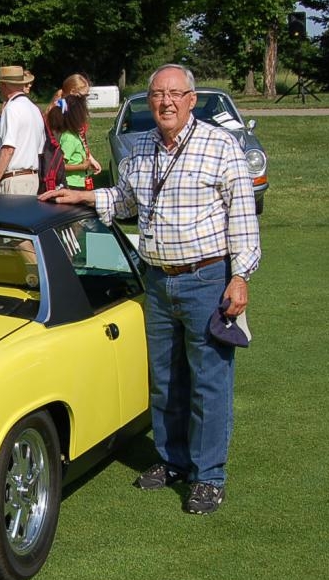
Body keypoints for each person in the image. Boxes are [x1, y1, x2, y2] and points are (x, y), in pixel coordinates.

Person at [39, 64, 260, 515]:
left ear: (191, 100)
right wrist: (83, 196)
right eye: (158, 94)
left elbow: (242, 216)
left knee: (208, 383)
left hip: (207, 279)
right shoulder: (140, 147)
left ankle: (208, 476)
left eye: (175, 94)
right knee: (164, 379)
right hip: (157, 280)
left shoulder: (220, 146)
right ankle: (172, 460)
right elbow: (126, 199)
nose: (166, 102)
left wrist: (240, 276)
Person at [0, 66, 45, 196]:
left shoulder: (11, 109)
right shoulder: (34, 109)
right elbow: (40, 150)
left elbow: (8, 149)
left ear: (4, 85)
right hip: (31, 178)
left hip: (14, 180)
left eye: (0, 84)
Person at [46, 73, 102, 177]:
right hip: (67, 175)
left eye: (86, 96)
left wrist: (90, 158)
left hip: (77, 172)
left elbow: (81, 138)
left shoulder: (74, 111)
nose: (84, 100)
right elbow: (59, 161)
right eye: (83, 96)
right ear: (72, 92)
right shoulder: (61, 112)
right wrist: (82, 166)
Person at [46, 94, 95, 189]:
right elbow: (60, 166)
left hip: (80, 182)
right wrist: (82, 167)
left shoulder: (75, 135)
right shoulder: (69, 138)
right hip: (71, 184)